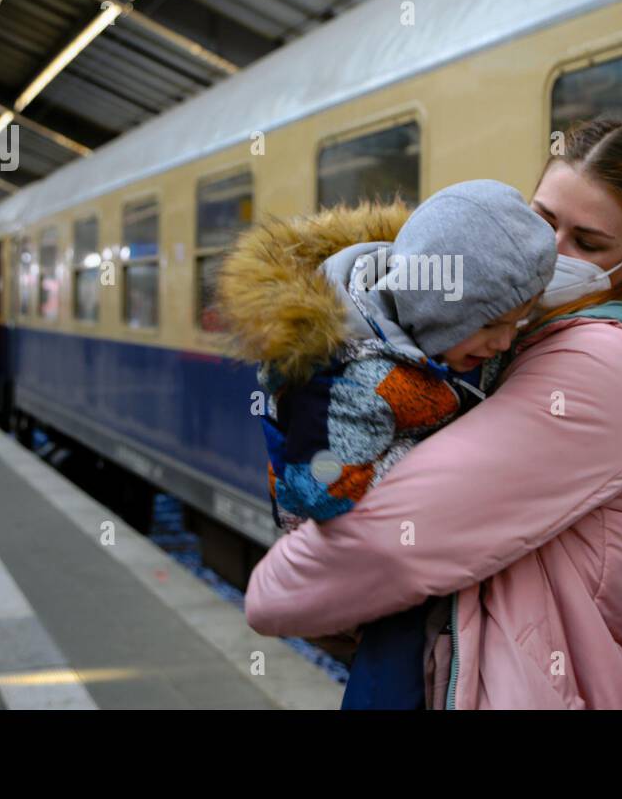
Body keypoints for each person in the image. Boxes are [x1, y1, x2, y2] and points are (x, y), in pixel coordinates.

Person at [244, 120, 622, 709]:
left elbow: (398, 541)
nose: (552, 254)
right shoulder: (513, 321)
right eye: (544, 220)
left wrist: (272, 590)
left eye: (588, 242)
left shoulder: (602, 360)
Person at [217, 180, 557, 709]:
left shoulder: (446, 335)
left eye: (519, 323)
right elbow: (322, 488)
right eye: (492, 324)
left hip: (409, 536)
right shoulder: (356, 377)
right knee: (397, 662)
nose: (505, 342)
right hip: (335, 527)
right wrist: (447, 468)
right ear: (438, 309)